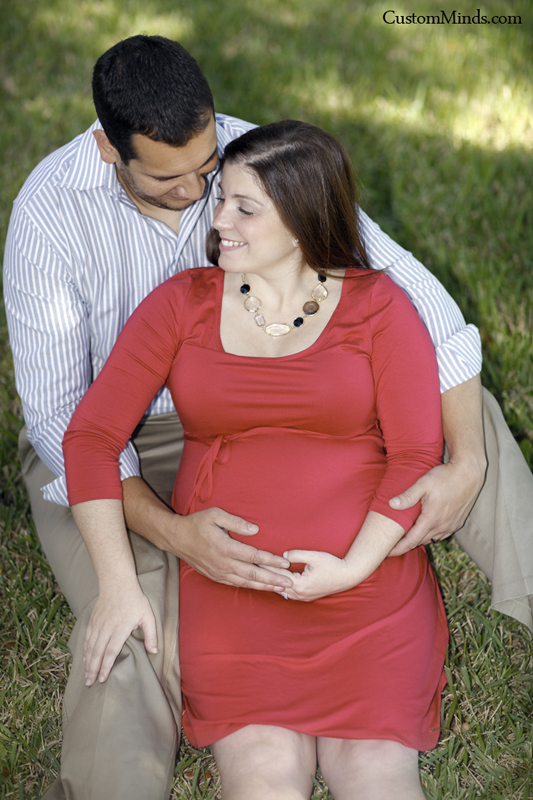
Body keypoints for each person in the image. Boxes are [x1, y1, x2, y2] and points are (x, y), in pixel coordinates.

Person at [4, 33, 531, 800]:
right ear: (109, 150)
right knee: (134, 613)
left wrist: (465, 464)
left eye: (211, 175)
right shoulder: (51, 216)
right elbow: (70, 426)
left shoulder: (255, 162)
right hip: (121, 435)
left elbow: (426, 318)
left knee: (468, 415)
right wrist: (172, 531)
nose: (202, 202)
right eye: (173, 181)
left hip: (285, 406)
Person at [63, 119, 449, 800]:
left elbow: (416, 451)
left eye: (244, 208)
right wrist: (118, 584)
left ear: (302, 218)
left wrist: (352, 567)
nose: (218, 223)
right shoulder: (182, 304)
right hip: (234, 598)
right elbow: (90, 437)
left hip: (366, 599)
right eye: (221, 201)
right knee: (262, 777)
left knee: (374, 775)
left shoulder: (377, 308)